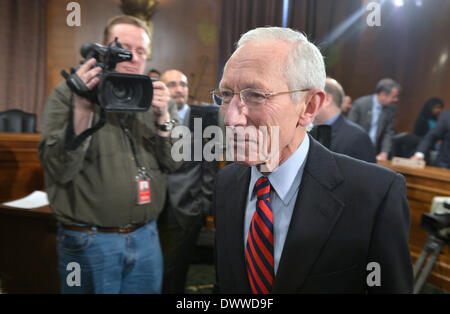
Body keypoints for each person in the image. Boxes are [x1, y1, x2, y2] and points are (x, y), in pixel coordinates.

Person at [212, 26, 413, 294]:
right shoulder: (226, 182)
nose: (231, 118)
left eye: (256, 95)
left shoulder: (374, 195)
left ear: (308, 107)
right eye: (226, 95)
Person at [39, 15, 180, 294]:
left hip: (147, 237)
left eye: (141, 51)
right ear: (102, 49)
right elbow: (59, 169)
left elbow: (175, 161)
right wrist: (82, 109)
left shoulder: (157, 98)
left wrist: (164, 119)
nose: (133, 57)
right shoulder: (69, 94)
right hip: (89, 243)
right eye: (124, 48)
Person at [157, 69, 219, 293]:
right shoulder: (149, 115)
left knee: (175, 272)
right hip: (150, 208)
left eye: (182, 84)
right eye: (171, 84)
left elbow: (210, 168)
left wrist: (201, 206)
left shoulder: (205, 118)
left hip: (185, 209)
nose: (178, 89)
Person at [314, 77, 376, 163]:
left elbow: (368, 174)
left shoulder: (357, 137)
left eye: (311, 97)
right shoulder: (308, 130)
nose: (304, 102)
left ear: (327, 100)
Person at [348, 78, 400, 161]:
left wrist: (384, 152)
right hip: (355, 152)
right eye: (394, 97)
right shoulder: (360, 104)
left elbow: (388, 132)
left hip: (376, 154)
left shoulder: (391, 109)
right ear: (383, 95)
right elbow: (349, 129)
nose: (396, 100)